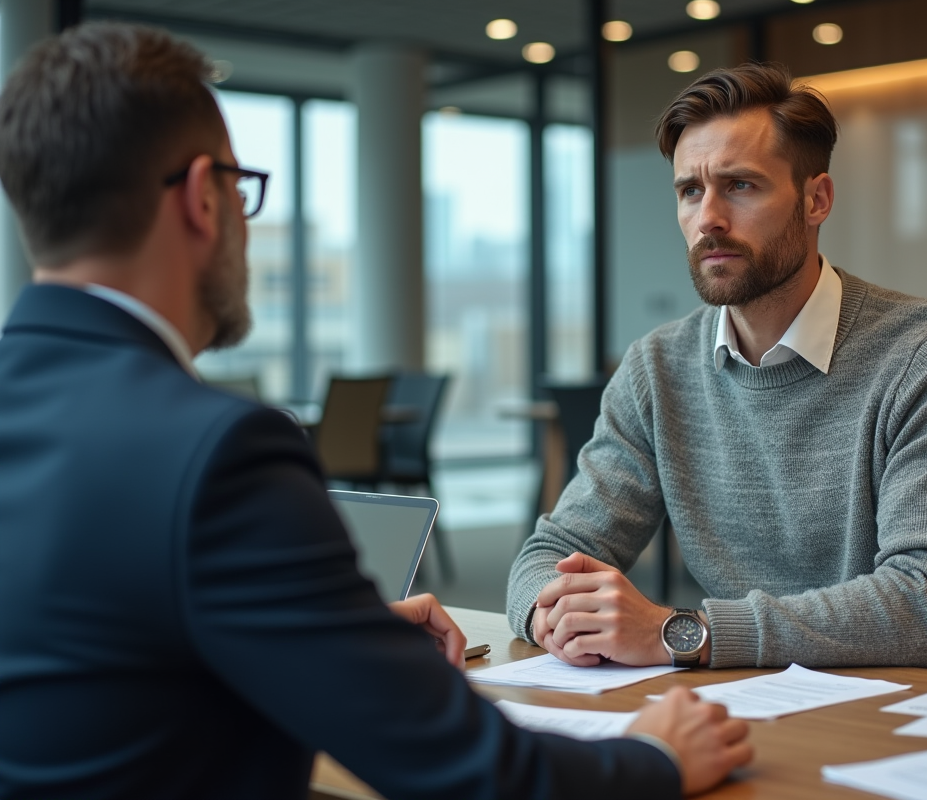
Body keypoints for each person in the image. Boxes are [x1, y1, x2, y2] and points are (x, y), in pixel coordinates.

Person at [0, 23, 751, 799]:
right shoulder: (216, 451)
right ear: (202, 197)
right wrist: (655, 759)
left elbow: (87, 657)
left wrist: (327, 639)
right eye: (240, 187)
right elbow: (474, 776)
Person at [506, 63, 927, 678]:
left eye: (741, 186)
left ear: (816, 199)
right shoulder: (656, 369)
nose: (708, 219)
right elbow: (551, 553)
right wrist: (551, 614)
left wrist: (682, 634)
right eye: (690, 190)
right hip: (747, 698)